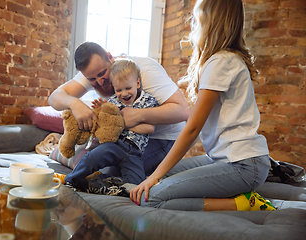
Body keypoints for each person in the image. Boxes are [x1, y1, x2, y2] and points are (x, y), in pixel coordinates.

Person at [130, 0, 276, 211]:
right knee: (158, 176)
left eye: (198, 15)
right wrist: (156, 175)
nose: (193, 22)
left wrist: (155, 177)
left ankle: (243, 203)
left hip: (244, 164)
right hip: (222, 159)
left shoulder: (221, 61)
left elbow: (193, 129)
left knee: (150, 197)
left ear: (211, 18)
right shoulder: (223, 60)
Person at [48, 42, 189, 177]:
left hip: (163, 137)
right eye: (92, 79)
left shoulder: (145, 70)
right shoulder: (92, 70)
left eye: (103, 73)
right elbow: (54, 97)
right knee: (91, 162)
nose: (100, 82)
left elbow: (183, 111)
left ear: (110, 57)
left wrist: (138, 115)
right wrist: (74, 103)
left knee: (113, 171)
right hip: (124, 137)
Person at [64, 59, 158, 187]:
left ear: (137, 83)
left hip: (135, 151)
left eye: (128, 88)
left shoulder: (148, 101)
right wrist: (103, 111)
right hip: (114, 145)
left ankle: (99, 182)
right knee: (91, 158)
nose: (124, 94)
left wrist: (120, 123)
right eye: (119, 90)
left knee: (135, 182)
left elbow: (149, 129)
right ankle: (71, 179)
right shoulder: (112, 101)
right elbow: (106, 124)